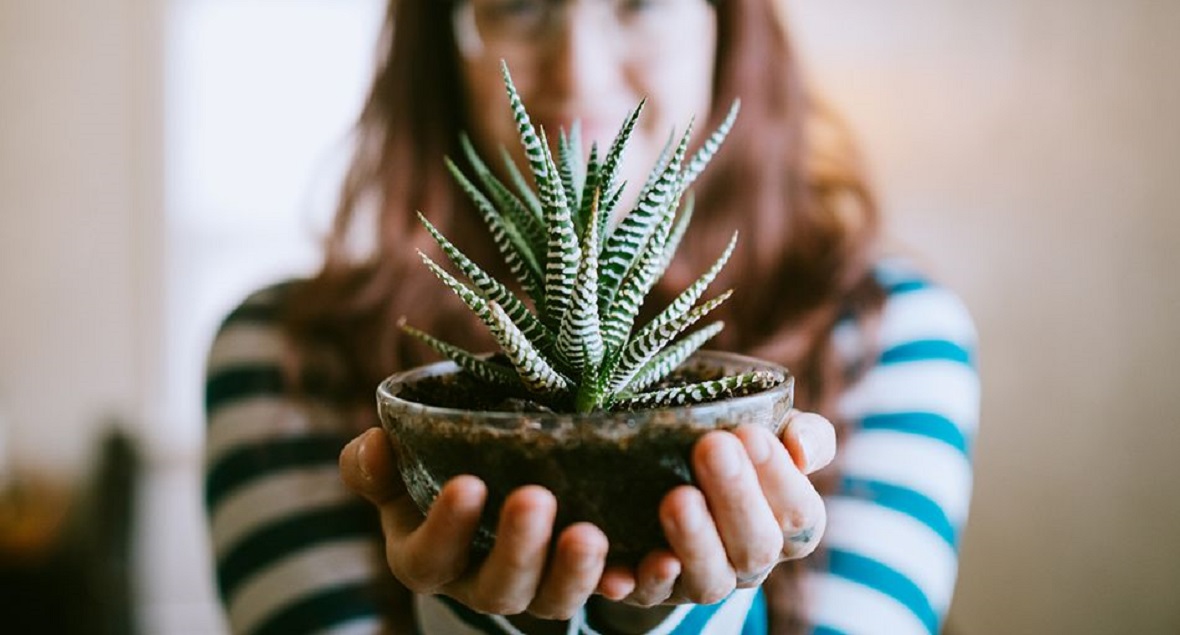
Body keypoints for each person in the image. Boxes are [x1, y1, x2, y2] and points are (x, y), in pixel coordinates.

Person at [203, 0, 980, 633]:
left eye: (642, 2)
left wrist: (671, 619)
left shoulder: (891, 337)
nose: (578, 71)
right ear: (442, 39)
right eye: (517, 3)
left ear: (727, 25)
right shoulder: (281, 352)